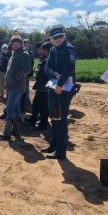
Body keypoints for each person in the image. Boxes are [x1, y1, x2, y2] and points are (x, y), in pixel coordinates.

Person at [43, 27, 77, 159]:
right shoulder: (52, 49)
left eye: (59, 37)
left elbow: (70, 66)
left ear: (64, 36)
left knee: (61, 119)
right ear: (51, 40)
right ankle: (53, 145)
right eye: (54, 38)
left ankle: (61, 151)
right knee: (53, 117)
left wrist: (60, 83)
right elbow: (47, 67)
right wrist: (55, 75)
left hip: (64, 88)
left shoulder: (69, 48)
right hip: (53, 86)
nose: (57, 39)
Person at [0, 35, 29, 140]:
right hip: (10, 86)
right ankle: (16, 131)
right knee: (16, 108)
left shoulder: (24, 54)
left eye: (17, 43)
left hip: (17, 86)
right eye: (13, 43)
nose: (14, 45)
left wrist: (16, 77)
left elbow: (27, 69)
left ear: (20, 44)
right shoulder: (13, 54)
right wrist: (7, 82)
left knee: (9, 107)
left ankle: (7, 133)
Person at [26, 41, 51, 129]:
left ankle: (43, 123)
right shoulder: (44, 58)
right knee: (36, 103)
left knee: (43, 106)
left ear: (46, 50)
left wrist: (37, 70)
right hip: (41, 85)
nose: (41, 51)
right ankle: (33, 119)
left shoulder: (49, 59)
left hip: (45, 86)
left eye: (42, 49)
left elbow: (44, 72)